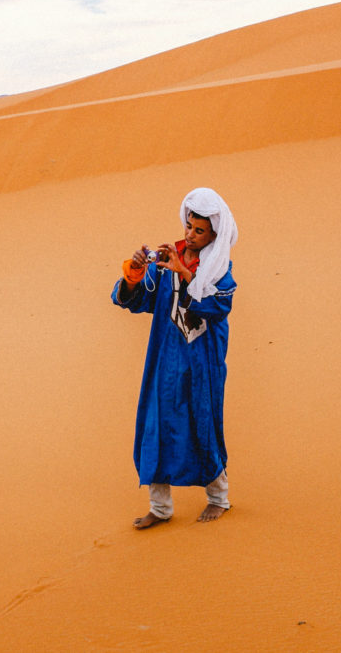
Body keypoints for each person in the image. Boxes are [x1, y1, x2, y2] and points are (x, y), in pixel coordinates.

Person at [111, 187, 239, 529]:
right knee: (157, 424)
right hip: (165, 359)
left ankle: (219, 498)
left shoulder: (217, 267)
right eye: (189, 227)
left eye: (199, 230)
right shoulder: (167, 259)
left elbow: (217, 305)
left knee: (202, 422)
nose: (191, 235)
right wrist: (136, 273)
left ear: (214, 233)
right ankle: (160, 507)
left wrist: (183, 271)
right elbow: (136, 300)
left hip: (202, 362)